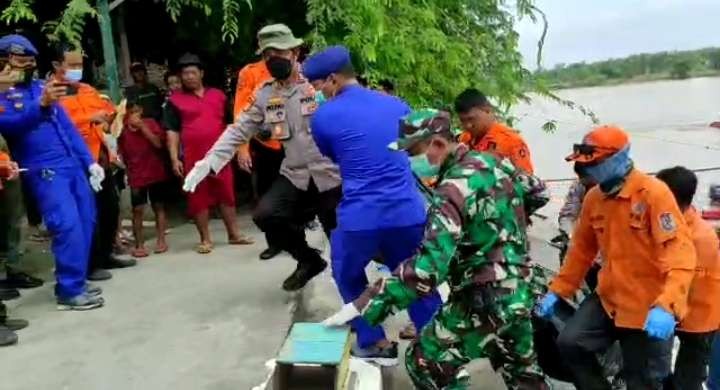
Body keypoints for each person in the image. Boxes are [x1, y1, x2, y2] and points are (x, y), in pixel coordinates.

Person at [323, 109, 551, 389]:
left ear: (439, 145)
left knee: (426, 359)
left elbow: (427, 269)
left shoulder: (451, 190)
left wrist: (365, 304)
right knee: (522, 370)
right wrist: (498, 226)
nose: (411, 162)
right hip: (523, 287)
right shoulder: (492, 161)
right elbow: (538, 192)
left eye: (413, 153)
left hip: (486, 296)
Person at [304, 46, 441, 363]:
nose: (318, 92)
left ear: (334, 79)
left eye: (319, 85)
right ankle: (435, 348)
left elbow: (334, 156)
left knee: (346, 272)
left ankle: (374, 343)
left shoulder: (323, 116)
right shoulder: (398, 105)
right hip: (407, 212)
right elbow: (413, 150)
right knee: (414, 278)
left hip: (361, 217)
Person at [536, 126, 697, 389]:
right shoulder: (594, 199)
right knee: (570, 343)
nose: (589, 172)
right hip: (608, 296)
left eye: (595, 164)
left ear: (620, 158)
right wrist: (558, 291)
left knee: (640, 379)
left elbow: (680, 253)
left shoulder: (653, 194)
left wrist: (667, 305)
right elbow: (581, 251)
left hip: (646, 304)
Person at [183, 38, 341, 291]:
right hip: (296, 174)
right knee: (266, 215)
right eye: (267, 54)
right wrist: (210, 160)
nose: (273, 58)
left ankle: (357, 306)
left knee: (342, 244)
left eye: (279, 52)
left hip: (329, 174)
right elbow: (239, 130)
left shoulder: (318, 85)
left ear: (295, 53)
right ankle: (308, 260)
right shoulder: (266, 94)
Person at [0, 35, 103, 310]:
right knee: (66, 224)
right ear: (4, 61)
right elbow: (11, 126)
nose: (28, 66)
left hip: (71, 163)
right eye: (22, 61)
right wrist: (41, 105)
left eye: (31, 61)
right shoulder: (4, 95)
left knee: (85, 221)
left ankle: (76, 282)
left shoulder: (39, 87)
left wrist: (89, 162)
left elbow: (67, 127)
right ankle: (69, 292)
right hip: (45, 169)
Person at [52, 43, 137, 281]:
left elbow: (106, 116)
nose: (77, 69)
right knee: (85, 213)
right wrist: (89, 117)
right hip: (76, 161)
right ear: (58, 65)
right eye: (72, 65)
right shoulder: (50, 94)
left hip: (101, 159)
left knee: (109, 208)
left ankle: (106, 254)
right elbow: (58, 125)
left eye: (80, 64)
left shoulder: (87, 90)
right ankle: (88, 264)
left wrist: (116, 114)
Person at [164, 53, 253, 254]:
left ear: (201, 73)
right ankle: (205, 239)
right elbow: (172, 131)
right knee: (197, 195)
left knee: (226, 192)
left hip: (221, 154)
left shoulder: (219, 96)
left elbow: (233, 124)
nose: (188, 77)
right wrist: (173, 157)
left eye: (192, 72)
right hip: (193, 157)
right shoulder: (174, 101)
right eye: (185, 73)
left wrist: (240, 150)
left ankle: (234, 234)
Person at [656, 166, 720, 390]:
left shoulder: (701, 237)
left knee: (688, 379)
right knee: (656, 372)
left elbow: (689, 285)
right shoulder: (664, 222)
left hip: (699, 316)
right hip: (668, 307)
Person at [232, 24, 289, 261]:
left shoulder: (297, 70)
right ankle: (274, 242)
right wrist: (242, 147)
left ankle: (295, 238)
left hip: (292, 142)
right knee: (267, 194)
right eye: (269, 50)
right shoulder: (250, 73)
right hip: (264, 144)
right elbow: (241, 110)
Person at [118, 103, 170, 258]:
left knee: (158, 206)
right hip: (137, 175)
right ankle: (139, 244)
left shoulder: (150, 124)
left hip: (155, 171)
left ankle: (161, 240)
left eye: (137, 112)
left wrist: (143, 129)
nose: (135, 115)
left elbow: (158, 143)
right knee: (137, 210)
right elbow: (121, 154)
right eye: (132, 112)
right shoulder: (122, 131)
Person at [455, 88, 534, 173]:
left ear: (487, 109)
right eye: (463, 121)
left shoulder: (511, 141)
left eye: (472, 119)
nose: (468, 125)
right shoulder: (464, 138)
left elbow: (527, 182)